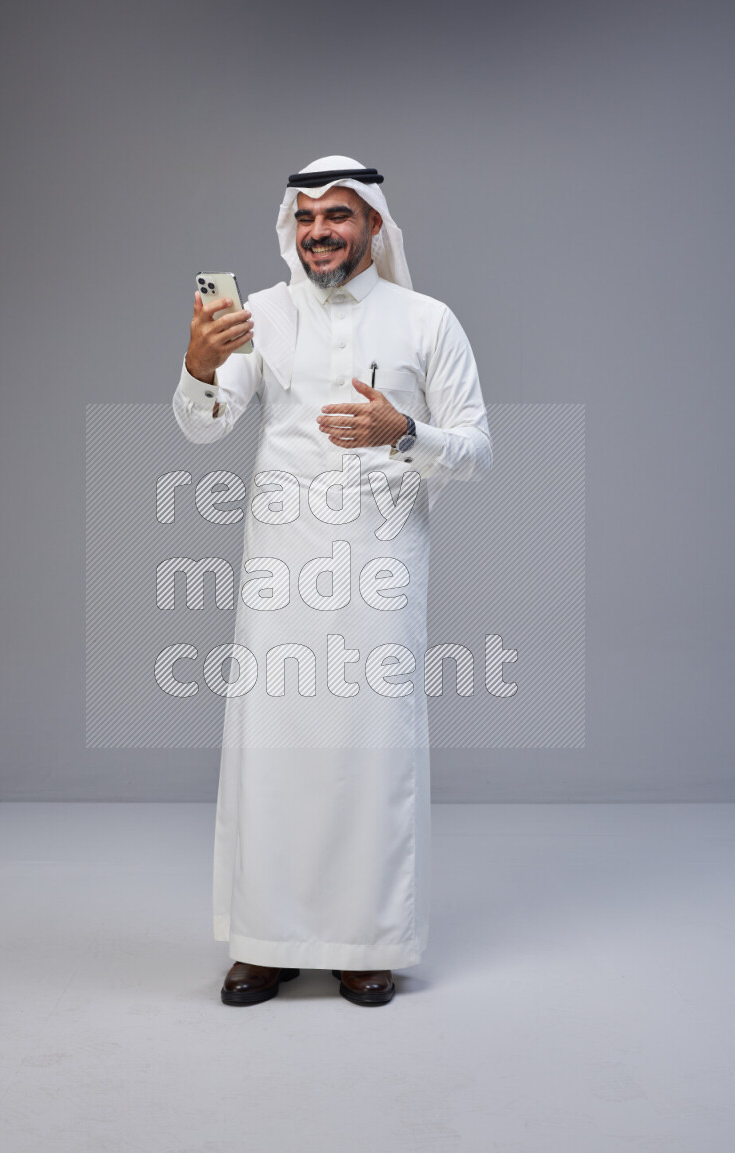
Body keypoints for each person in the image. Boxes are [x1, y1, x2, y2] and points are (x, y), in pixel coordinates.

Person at [172, 155, 492, 1007]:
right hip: (280, 574)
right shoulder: (260, 318)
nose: (320, 231)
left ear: (374, 226)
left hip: (382, 576)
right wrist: (201, 365)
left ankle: (366, 941)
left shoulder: (427, 320)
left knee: (371, 755)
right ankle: (264, 943)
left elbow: (477, 448)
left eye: (338, 215)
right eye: (306, 216)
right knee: (270, 756)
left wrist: (403, 430)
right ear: (291, 227)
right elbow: (205, 428)